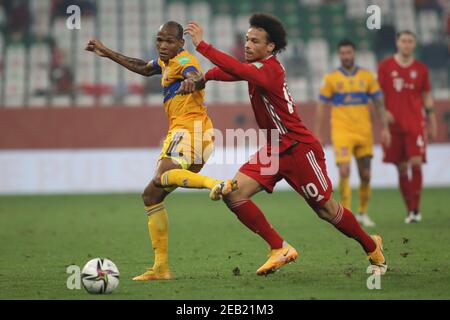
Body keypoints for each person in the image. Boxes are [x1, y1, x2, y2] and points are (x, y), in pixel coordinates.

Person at [174, 13, 387, 275]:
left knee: (325, 209)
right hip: (275, 148)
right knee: (234, 194)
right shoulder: (258, 69)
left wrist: (203, 47)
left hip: (298, 149)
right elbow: (233, 71)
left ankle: (371, 246)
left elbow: (238, 69)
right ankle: (279, 247)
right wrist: (205, 78)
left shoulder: (271, 70)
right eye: (247, 39)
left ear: (270, 46)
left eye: (255, 41)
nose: (248, 45)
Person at [86, 21, 236, 281]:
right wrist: (107, 52)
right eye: (160, 40)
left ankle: (217, 183)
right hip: (199, 134)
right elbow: (144, 68)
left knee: (161, 175)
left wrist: (193, 83)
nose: (163, 45)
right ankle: (161, 268)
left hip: (189, 131)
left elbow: (194, 75)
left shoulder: (184, 62)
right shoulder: (165, 62)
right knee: (151, 195)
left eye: (169, 41)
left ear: (181, 43)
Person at [315, 39, 391, 227]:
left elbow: (379, 103)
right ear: (339, 55)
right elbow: (321, 106)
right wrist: (318, 134)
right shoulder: (331, 79)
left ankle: (363, 212)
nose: (346, 56)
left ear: (354, 53)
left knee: (365, 174)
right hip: (342, 131)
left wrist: (385, 128)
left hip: (363, 131)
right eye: (342, 53)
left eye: (349, 53)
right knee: (344, 170)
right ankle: (346, 213)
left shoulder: (367, 77)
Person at [378, 30, 437, 223]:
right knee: (402, 167)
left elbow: (427, 96)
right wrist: (383, 118)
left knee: (416, 162)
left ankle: (416, 209)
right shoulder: (385, 66)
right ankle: (410, 210)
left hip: (415, 124)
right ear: (397, 43)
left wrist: (432, 122)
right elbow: (378, 96)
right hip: (394, 126)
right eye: (403, 41)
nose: (406, 44)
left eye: (410, 41)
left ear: (414, 44)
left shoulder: (421, 69)